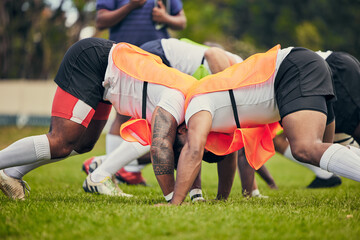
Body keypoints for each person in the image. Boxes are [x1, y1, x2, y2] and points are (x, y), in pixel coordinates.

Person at [0, 37, 196, 200]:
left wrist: (197, 195)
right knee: (61, 141)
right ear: (184, 129)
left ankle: (11, 174)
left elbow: (148, 143)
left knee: (84, 143)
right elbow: (159, 147)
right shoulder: (178, 101)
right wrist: (173, 199)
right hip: (93, 61)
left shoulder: (189, 110)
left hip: (106, 81)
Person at [168, 45, 360, 205]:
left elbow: (193, 150)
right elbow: (229, 155)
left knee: (304, 148)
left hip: (292, 68)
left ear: (183, 128)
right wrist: (221, 199)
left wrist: (175, 202)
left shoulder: (196, 103)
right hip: (304, 65)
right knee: (323, 151)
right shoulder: (217, 122)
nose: (204, 148)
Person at [84, 38, 246, 201]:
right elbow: (212, 52)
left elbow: (228, 149)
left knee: (172, 134)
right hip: (161, 55)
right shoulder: (238, 76)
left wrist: (223, 196)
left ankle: (104, 165)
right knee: (163, 132)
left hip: (173, 68)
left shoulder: (228, 112)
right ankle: (103, 170)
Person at [93, 0, 186, 185]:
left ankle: (130, 172)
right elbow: (100, 21)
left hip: (158, 58)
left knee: (157, 118)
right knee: (122, 115)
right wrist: (131, 6)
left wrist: (165, 18)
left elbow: (182, 22)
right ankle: (109, 174)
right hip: (124, 59)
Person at [271, 50, 360, 188]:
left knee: (355, 127)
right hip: (326, 70)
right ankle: (325, 174)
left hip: (330, 69)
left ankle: (325, 174)